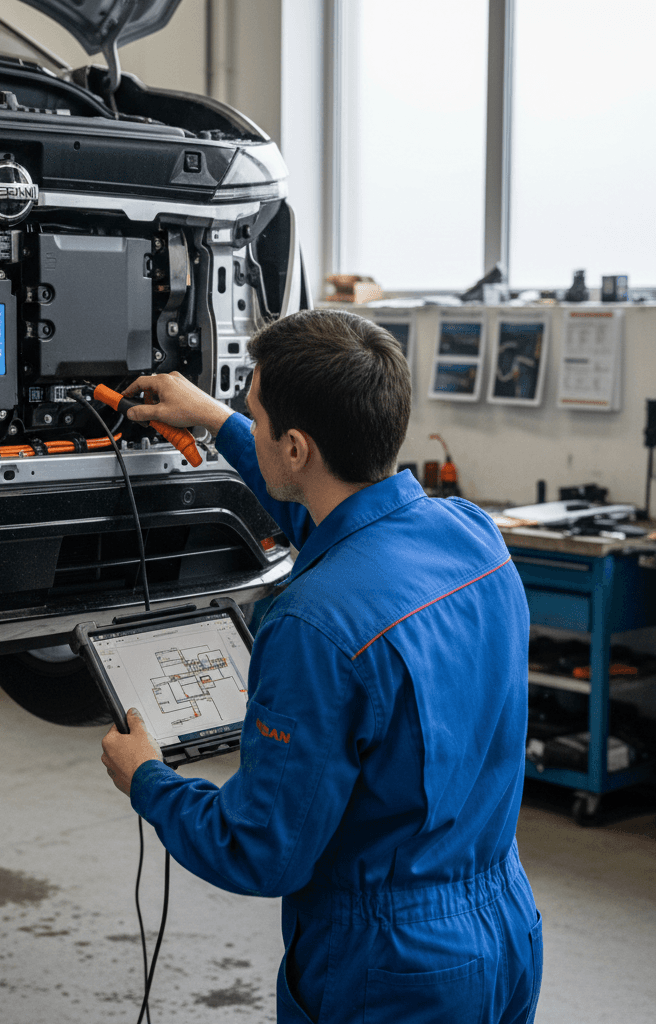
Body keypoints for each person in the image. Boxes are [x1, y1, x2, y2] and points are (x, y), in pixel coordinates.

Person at [100, 309, 543, 1024]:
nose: (247, 415)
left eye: (255, 412)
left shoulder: (312, 625)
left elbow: (261, 850)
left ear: (298, 447)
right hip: (504, 924)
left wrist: (147, 780)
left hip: (393, 967)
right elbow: (345, 530)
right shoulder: (470, 533)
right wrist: (216, 419)